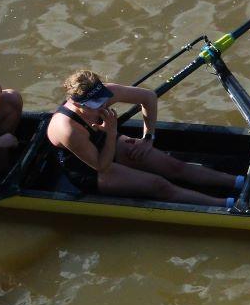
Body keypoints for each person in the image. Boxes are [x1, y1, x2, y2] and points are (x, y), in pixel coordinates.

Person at [47, 70, 239, 205]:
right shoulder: (67, 128)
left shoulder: (102, 93)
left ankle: (239, 181)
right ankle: (227, 205)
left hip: (106, 141)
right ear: (79, 104)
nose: (104, 105)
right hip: (89, 170)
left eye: (104, 99)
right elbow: (101, 166)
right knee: (159, 185)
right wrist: (112, 132)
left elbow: (148, 97)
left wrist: (148, 138)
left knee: (175, 167)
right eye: (97, 104)